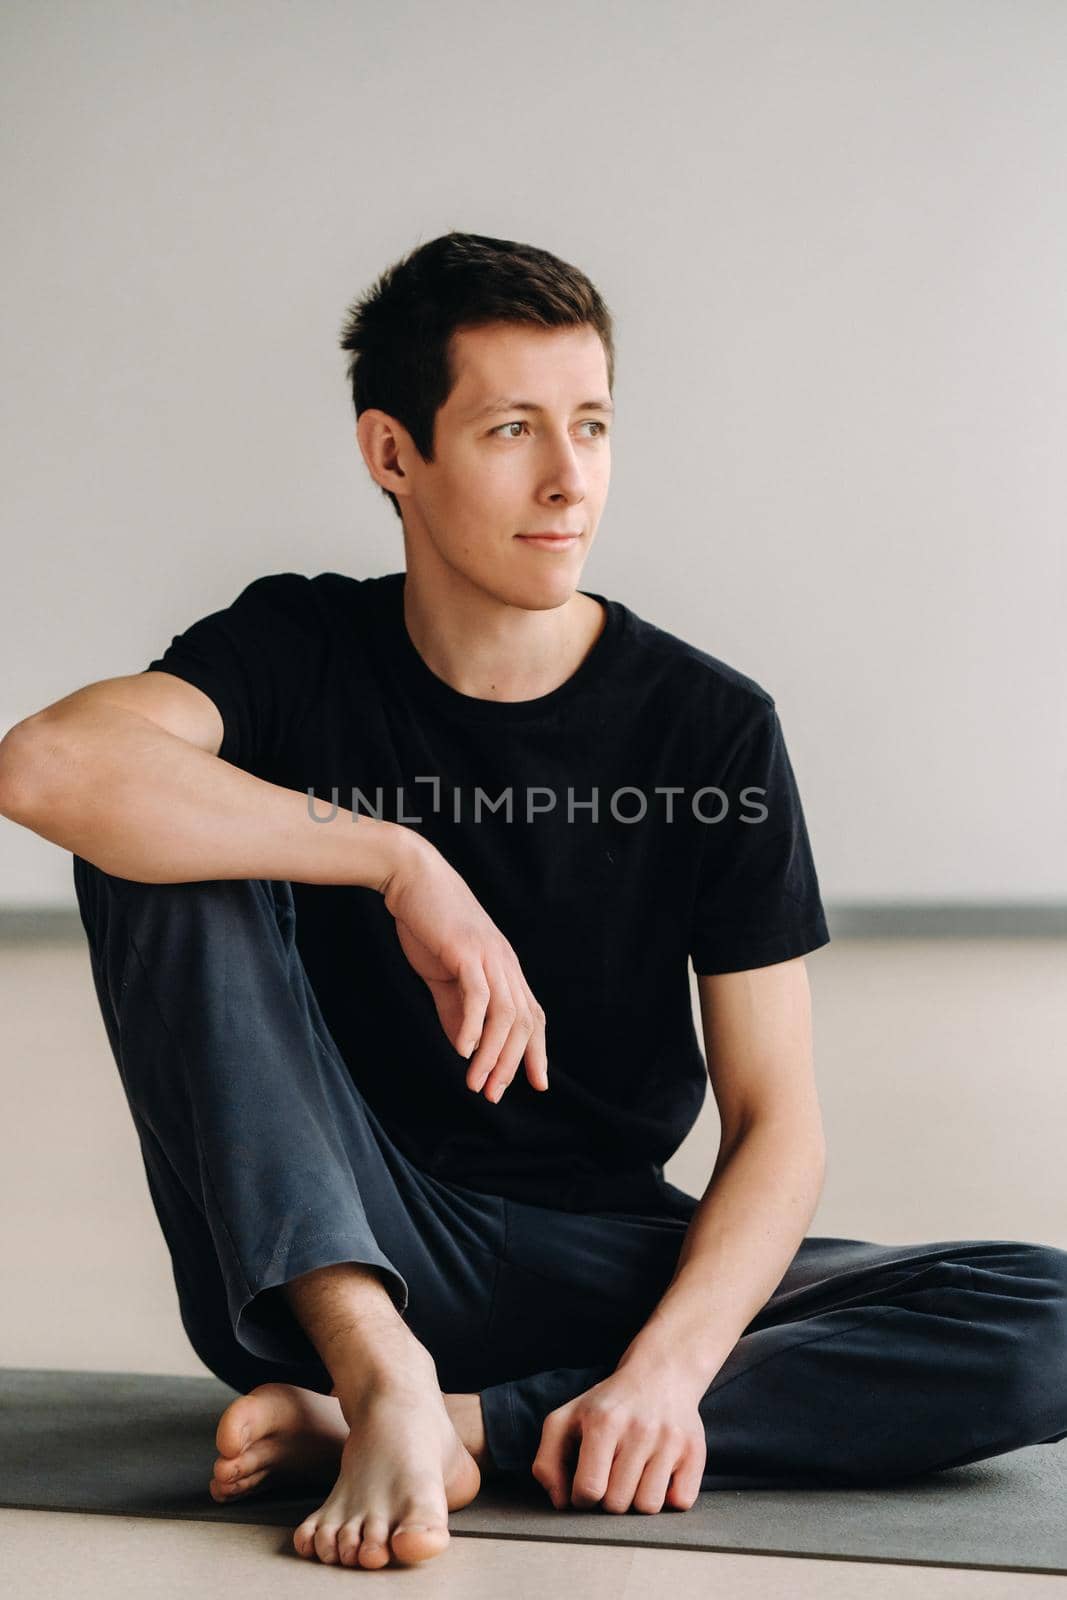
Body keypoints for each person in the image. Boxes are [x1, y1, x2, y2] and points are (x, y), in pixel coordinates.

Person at [1, 230, 1065, 1575]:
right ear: (395, 454)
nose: (571, 481)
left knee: (1049, 1317)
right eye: (512, 428)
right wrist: (399, 859)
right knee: (151, 834)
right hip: (343, 1235)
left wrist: (670, 1375)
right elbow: (46, 766)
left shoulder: (709, 725)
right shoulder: (298, 649)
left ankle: (459, 1426)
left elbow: (777, 1127)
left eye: (594, 426)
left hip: (607, 1262)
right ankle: (376, 1367)